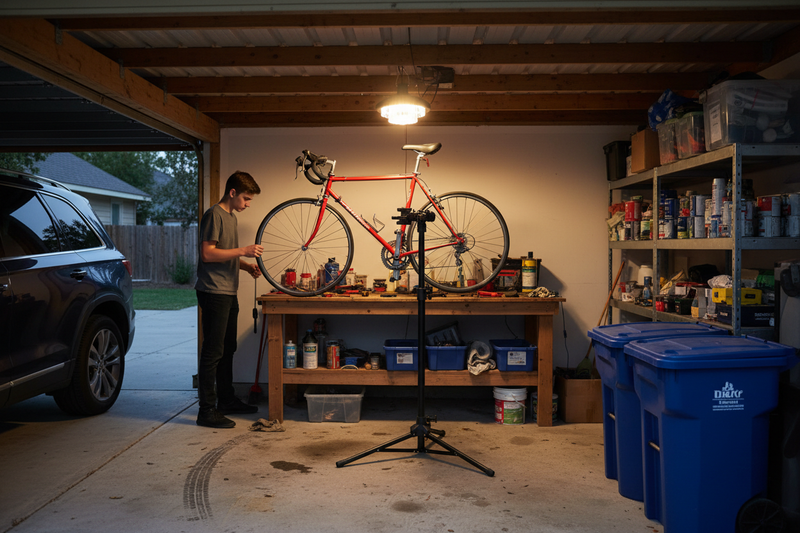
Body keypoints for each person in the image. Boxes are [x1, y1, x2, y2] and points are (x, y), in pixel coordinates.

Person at [195, 171, 263, 429]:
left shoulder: (231, 218)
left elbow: (224, 253)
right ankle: (206, 411)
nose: (247, 204)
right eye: (246, 198)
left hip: (227, 290)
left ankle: (226, 400)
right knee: (213, 351)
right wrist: (244, 250)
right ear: (232, 192)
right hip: (213, 292)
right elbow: (207, 254)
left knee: (227, 349)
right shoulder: (214, 215)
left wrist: (244, 266)